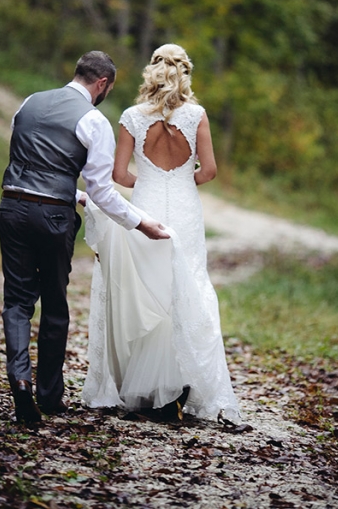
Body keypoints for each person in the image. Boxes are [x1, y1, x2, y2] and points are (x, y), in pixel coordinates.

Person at [0, 51, 169, 426]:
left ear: (77, 74)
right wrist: (141, 223)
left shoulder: (28, 103)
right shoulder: (94, 120)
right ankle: (50, 395)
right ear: (103, 83)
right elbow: (104, 192)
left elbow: (33, 163)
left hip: (11, 205)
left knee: (17, 301)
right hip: (53, 217)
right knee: (55, 303)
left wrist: (74, 194)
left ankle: (20, 380)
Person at [82, 44, 242, 423]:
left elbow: (118, 175)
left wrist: (150, 183)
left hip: (146, 207)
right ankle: (184, 385)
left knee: (148, 291)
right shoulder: (197, 116)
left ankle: (152, 390)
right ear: (184, 73)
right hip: (185, 210)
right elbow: (210, 171)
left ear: (150, 73)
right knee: (187, 288)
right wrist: (182, 181)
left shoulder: (132, 117)